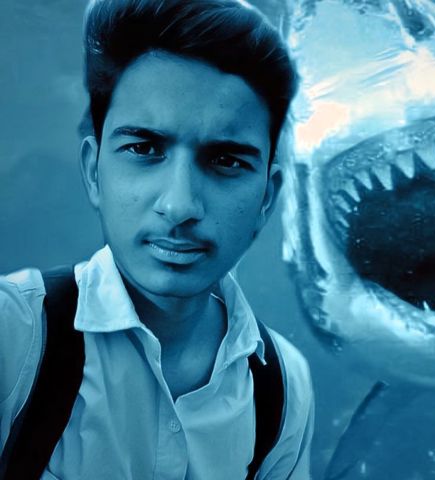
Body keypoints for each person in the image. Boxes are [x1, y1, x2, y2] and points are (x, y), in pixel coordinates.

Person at [0, 0, 313, 478]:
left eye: (226, 161)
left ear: (267, 198)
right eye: (144, 148)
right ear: (93, 172)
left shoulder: (283, 387)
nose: (180, 205)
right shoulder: (12, 336)